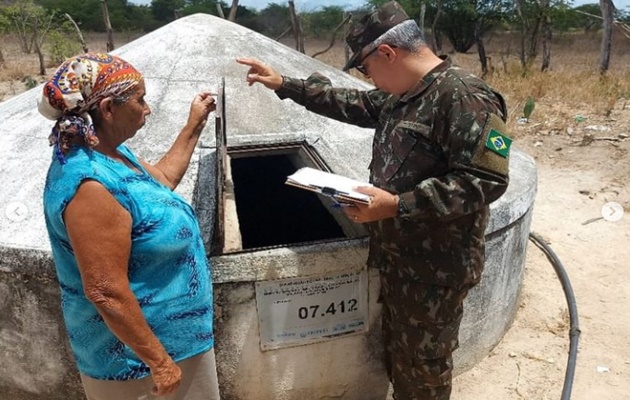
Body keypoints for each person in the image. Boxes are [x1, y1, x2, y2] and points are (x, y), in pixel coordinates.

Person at [236, 1, 511, 399]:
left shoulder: (464, 97)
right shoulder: (406, 94)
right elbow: (355, 104)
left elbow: (487, 179)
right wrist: (285, 84)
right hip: (400, 257)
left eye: (365, 68)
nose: (368, 78)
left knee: (425, 370)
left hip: (436, 268)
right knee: (401, 357)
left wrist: (397, 205)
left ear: (387, 52)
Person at [39, 53, 221, 400]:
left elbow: (163, 179)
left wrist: (194, 123)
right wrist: (160, 362)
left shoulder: (111, 154)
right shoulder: (90, 185)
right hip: (138, 366)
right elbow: (105, 290)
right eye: (140, 99)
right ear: (108, 109)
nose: (147, 108)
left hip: (176, 345)